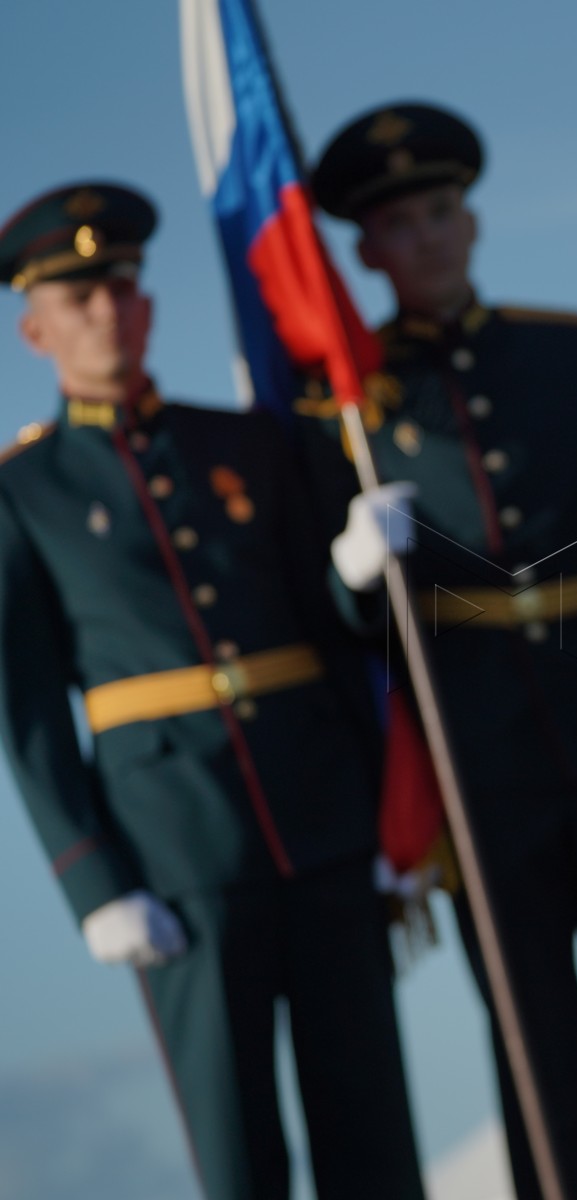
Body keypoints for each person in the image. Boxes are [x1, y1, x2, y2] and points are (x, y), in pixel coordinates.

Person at [302, 103, 577, 1199]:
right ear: (364, 251)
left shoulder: (562, 344)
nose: (430, 237)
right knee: (536, 1049)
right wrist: (355, 576)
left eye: (443, 211)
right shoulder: (342, 404)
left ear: (474, 221)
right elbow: (336, 626)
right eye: (401, 224)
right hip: (479, 763)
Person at [0, 182, 423, 1198]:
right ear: (35, 328)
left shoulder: (248, 445)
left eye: (123, 287)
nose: (108, 309)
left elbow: (334, 636)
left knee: (374, 1138)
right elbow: (27, 713)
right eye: (81, 294)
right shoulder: (25, 491)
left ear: (149, 306)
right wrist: (93, 884)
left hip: (321, 826)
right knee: (239, 1159)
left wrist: (355, 578)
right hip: (176, 858)